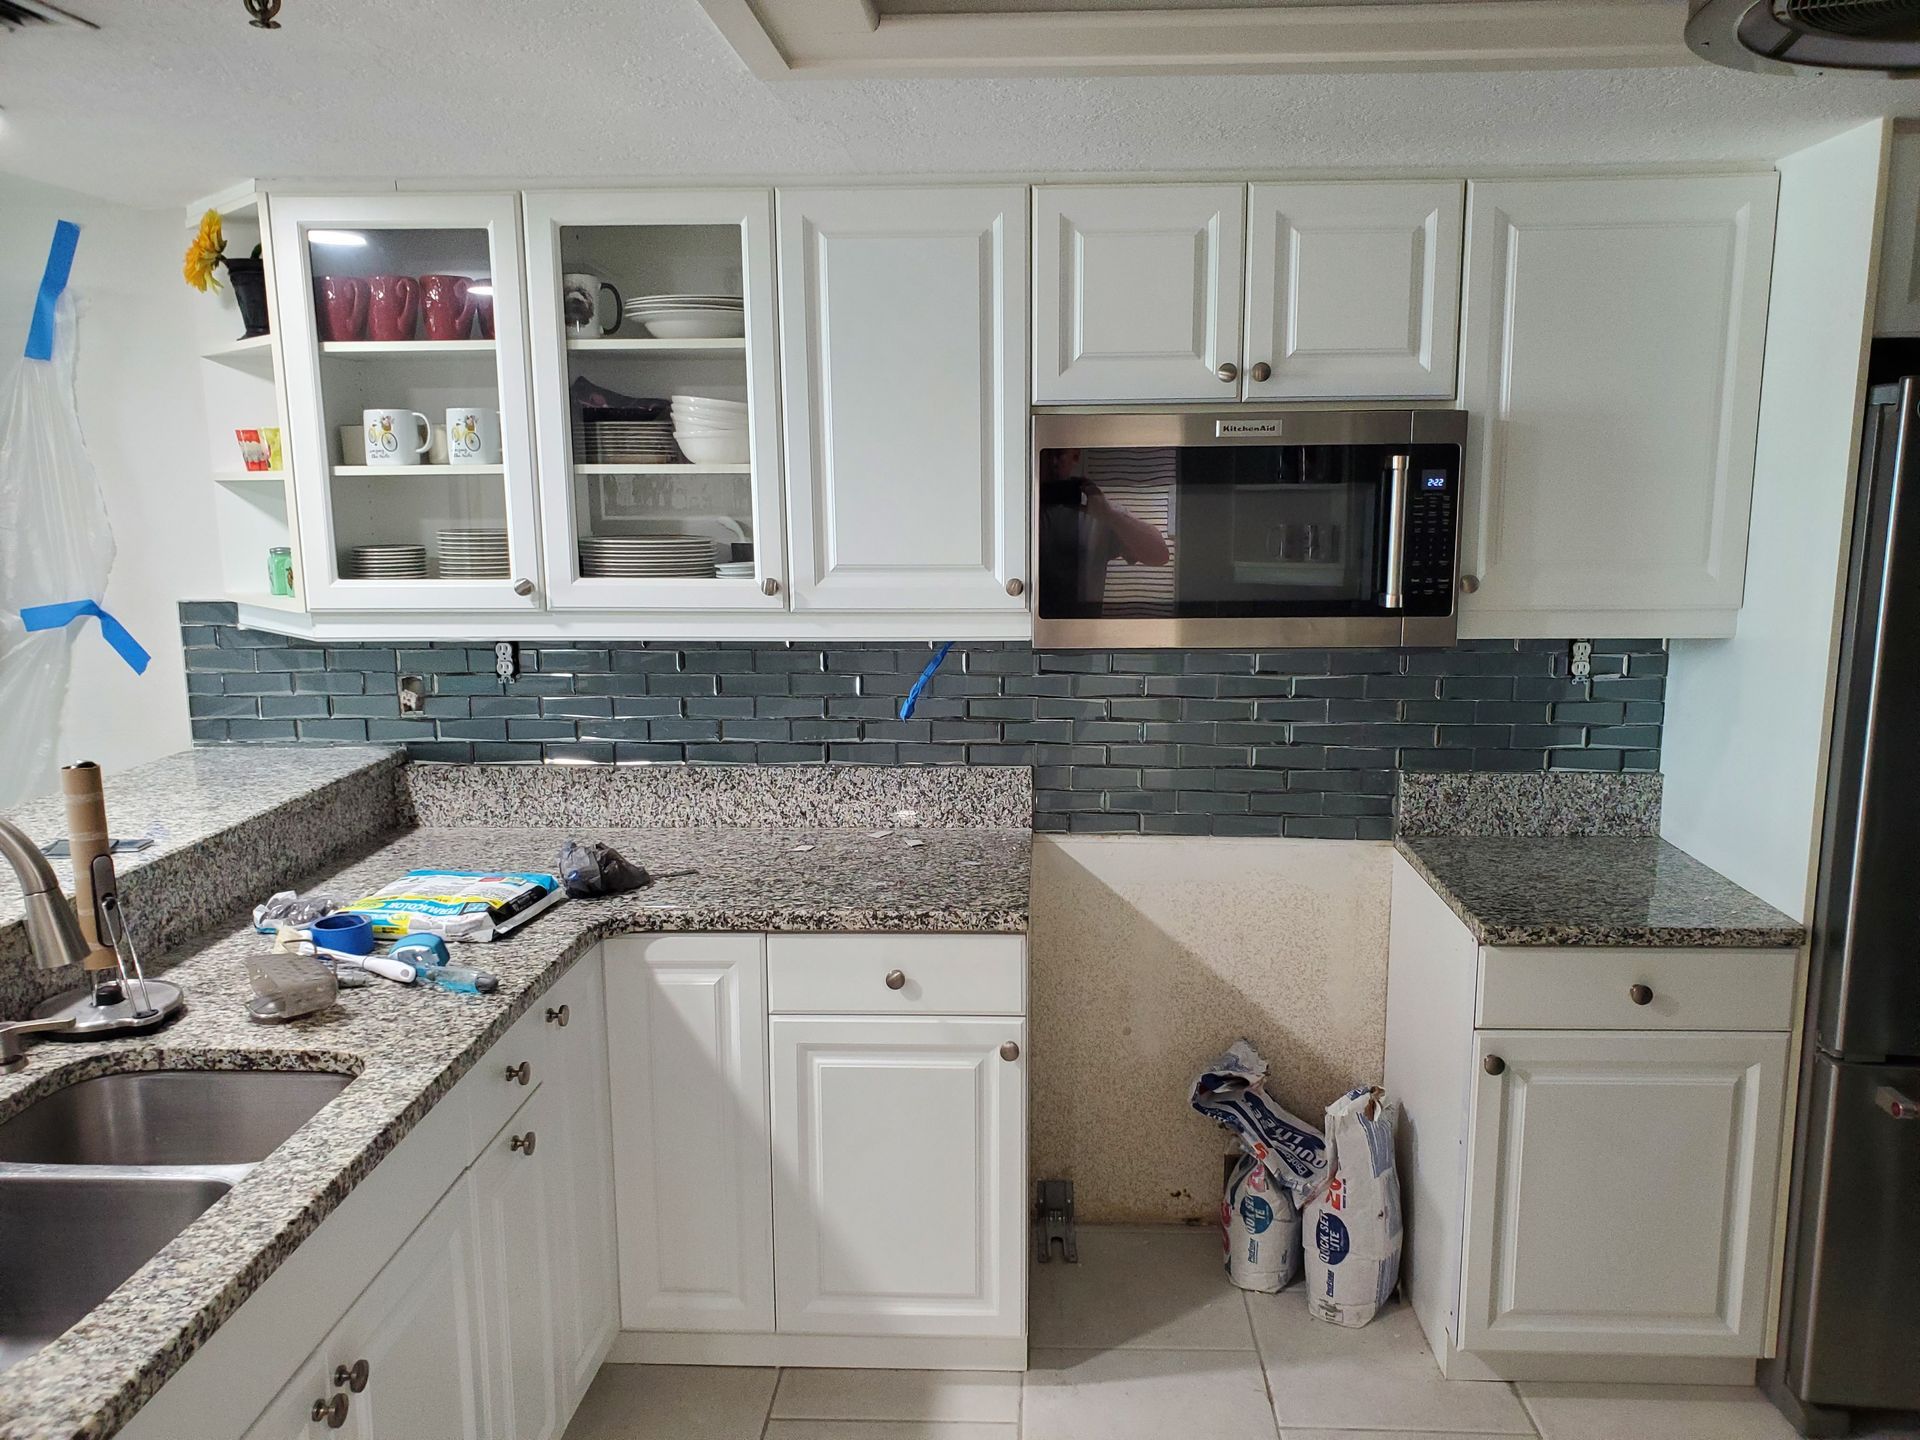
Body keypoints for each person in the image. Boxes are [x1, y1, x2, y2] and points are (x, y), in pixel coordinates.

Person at [1036, 447, 1171, 607]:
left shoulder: (1098, 511)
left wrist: (1109, 514)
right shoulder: (1011, 512)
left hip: (1081, 628)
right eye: (1046, 455)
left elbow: (1159, 555)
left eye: (1059, 454)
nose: (1052, 462)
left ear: (1075, 456)